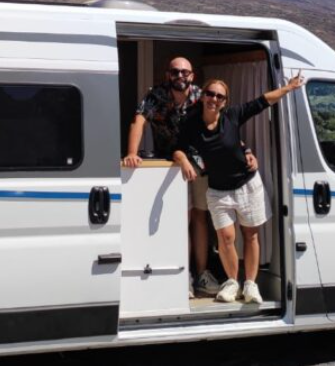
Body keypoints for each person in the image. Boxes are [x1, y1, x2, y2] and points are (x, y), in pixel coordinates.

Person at [173, 73, 305, 304]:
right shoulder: (192, 124)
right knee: (226, 238)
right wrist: (183, 161)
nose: (214, 99)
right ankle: (233, 282)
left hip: (247, 185)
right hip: (218, 190)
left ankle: (250, 284)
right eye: (210, 94)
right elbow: (177, 148)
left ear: (225, 102)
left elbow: (262, 102)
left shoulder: (232, 116)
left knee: (250, 235)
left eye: (220, 96)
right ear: (202, 96)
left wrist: (288, 88)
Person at [123, 57, 225, 296]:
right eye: (175, 72)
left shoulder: (201, 95)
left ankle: (201, 275)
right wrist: (132, 153)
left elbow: (222, 122)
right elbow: (138, 122)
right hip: (168, 167)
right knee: (178, 220)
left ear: (192, 76)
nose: (180, 76)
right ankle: (183, 275)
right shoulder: (156, 96)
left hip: (198, 164)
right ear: (168, 75)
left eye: (185, 72)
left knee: (199, 217)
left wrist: (244, 150)